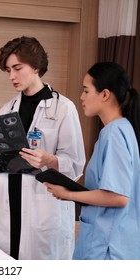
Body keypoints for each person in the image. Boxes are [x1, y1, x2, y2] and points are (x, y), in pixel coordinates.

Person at [0, 36, 86, 259]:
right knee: (8, 260)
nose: (11, 76)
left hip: (43, 204)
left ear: (35, 66)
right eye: (8, 70)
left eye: (17, 68)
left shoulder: (62, 108)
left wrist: (49, 160)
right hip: (8, 201)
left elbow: (76, 163)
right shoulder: (7, 108)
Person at [45, 62, 140, 259]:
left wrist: (69, 194)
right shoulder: (121, 130)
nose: (81, 97)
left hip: (107, 247)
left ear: (105, 94)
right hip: (111, 240)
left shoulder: (114, 133)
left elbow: (118, 197)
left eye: (86, 91)